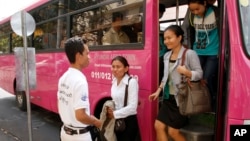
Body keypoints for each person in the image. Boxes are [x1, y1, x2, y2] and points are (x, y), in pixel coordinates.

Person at [149, 25, 203, 141]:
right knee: (158, 126)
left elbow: (199, 74)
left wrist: (187, 72)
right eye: (165, 38)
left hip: (182, 99)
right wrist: (158, 91)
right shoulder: (166, 56)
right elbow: (165, 77)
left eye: (169, 38)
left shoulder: (190, 54)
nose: (166, 41)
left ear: (179, 38)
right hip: (168, 99)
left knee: (173, 132)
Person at [57, 37, 102, 141]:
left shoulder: (64, 77)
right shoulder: (80, 81)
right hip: (79, 137)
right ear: (78, 56)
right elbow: (80, 116)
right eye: (87, 53)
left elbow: (60, 104)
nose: (89, 57)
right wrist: (96, 122)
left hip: (65, 133)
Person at [181, 0, 219, 110]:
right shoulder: (191, 15)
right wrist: (186, 45)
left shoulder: (216, 13)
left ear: (205, 4)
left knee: (206, 79)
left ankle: (211, 103)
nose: (195, 12)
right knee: (194, 78)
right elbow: (184, 28)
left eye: (197, 9)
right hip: (197, 52)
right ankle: (197, 103)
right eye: (192, 10)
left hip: (213, 51)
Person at [107, 56, 139, 141]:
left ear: (126, 68)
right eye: (113, 66)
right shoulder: (114, 81)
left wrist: (115, 114)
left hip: (128, 123)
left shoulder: (131, 82)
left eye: (118, 67)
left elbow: (133, 107)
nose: (115, 69)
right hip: (117, 121)